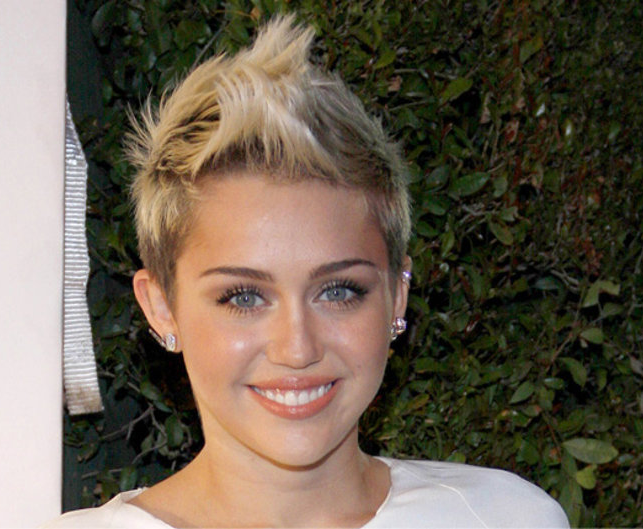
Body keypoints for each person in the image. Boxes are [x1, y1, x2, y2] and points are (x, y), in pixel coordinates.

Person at [46, 15, 568, 528]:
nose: (297, 349)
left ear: (398, 295)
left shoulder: (507, 519)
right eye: (243, 297)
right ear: (161, 307)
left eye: (338, 291)